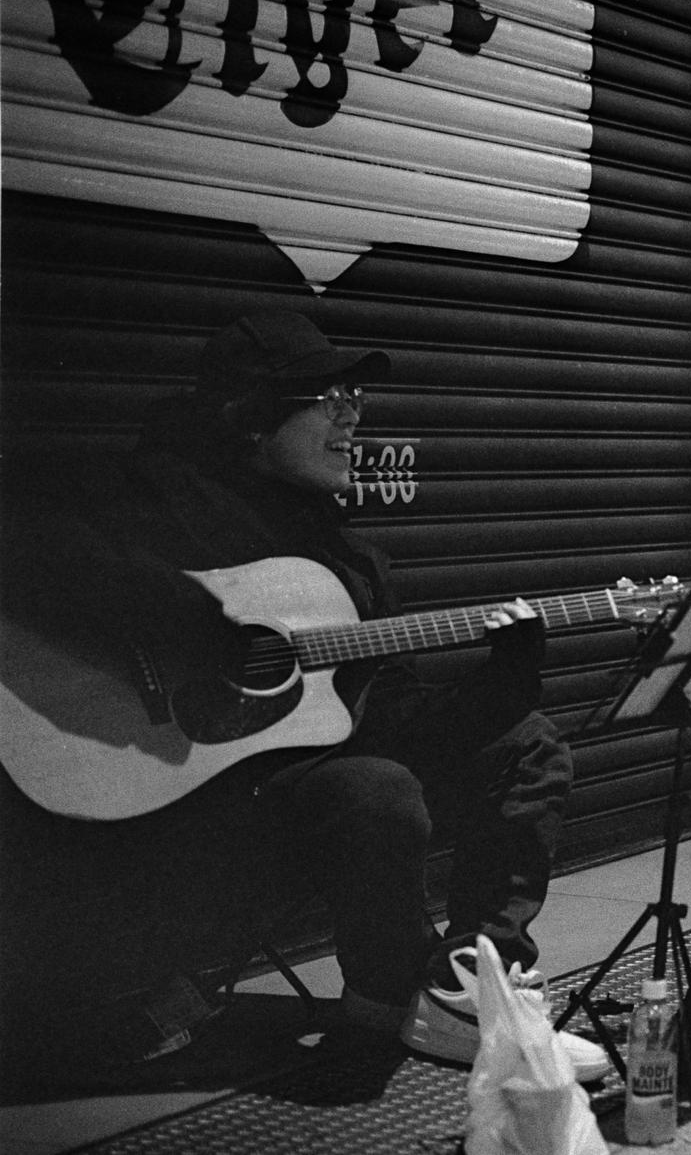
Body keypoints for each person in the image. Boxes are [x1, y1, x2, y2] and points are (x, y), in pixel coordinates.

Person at [5, 312, 612, 1073]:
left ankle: (469, 983)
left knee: (530, 745)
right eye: (328, 399)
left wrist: (505, 680)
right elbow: (32, 550)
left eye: (354, 397)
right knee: (375, 790)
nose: (352, 417)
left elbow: (393, 714)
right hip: (181, 803)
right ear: (253, 419)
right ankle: (384, 1001)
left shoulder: (343, 554)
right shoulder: (151, 496)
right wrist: (199, 628)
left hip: (300, 777)